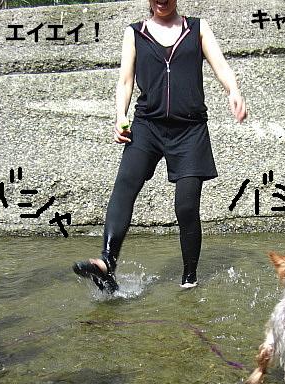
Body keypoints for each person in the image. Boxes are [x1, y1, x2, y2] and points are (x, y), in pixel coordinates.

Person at [74, 0, 247, 293]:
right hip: (147, 126)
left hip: (190, 129)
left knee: (186, 206)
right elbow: (125, 81)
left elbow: (221, 66)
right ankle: (107, 262)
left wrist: (234, 91)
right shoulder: (135, 33)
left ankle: (189, 278)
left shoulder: (197, 28)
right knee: (125, 185)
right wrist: (120, 116)